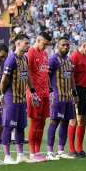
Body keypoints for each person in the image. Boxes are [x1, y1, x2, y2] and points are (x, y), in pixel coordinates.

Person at [0, 34, 31, 164]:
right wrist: (2, 95)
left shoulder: (25, 58)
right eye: (26, 43)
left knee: (21, 126)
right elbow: (4, 80)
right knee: (8, 126)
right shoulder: (11, 60)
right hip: (11, 98)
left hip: (21, 98)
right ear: (18, 44)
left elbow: (27, 76)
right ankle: (7, 156)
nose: (28, 46)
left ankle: (20, 154)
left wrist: (32, 91)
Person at [46, 36, 77, 160]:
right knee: (54, 121)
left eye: (67, 45)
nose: (66, 47)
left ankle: (60, 150)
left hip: (68, 97)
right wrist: (50, 91)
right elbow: (47, 76)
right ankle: (49, 152)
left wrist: (74, 92)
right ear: (58, 46)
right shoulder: (53, 60)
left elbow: (71, 78)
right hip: (57, 96)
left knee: (65, 122)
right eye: (63, 45)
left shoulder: (68, 60)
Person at [68, 38, 86, 157]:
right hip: (77, 89)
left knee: (83, 119)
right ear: (84, 45)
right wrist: (73, 92)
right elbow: (70, 75)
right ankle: (72, 149)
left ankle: (79, 148)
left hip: (85, 90)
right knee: (74, 119)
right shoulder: (74, 56)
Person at [26, 32, 52, 162]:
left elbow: (45, 74)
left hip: (45, 93)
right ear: (38, 40)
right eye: (44, 44)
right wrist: (32, 92)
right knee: (35, 122)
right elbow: (28, 74)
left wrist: (49, 89)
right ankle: (32, 152)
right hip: (35, 93)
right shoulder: (30, 53)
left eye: (47, 45)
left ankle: (37, 151)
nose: (45, 47)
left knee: (42, 123)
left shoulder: (45, 54)